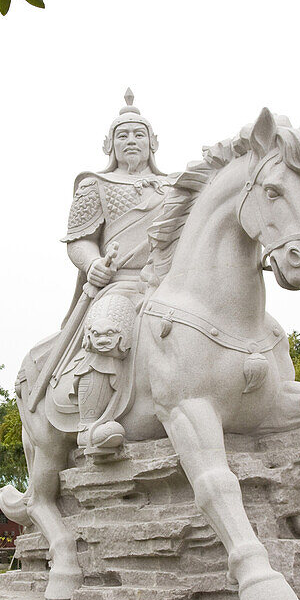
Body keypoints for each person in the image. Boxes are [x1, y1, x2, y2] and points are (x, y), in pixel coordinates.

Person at [54, 89, 175, 453]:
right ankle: (91, 425)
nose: (131, 141)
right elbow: (79, 239)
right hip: (122, 283)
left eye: (138, 134)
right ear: (110, 144)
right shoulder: (96, 185)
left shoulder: (174, 187)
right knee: (107, 328)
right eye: (123, 135)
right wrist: (93, 265)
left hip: (169, 281)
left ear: (153, 142)